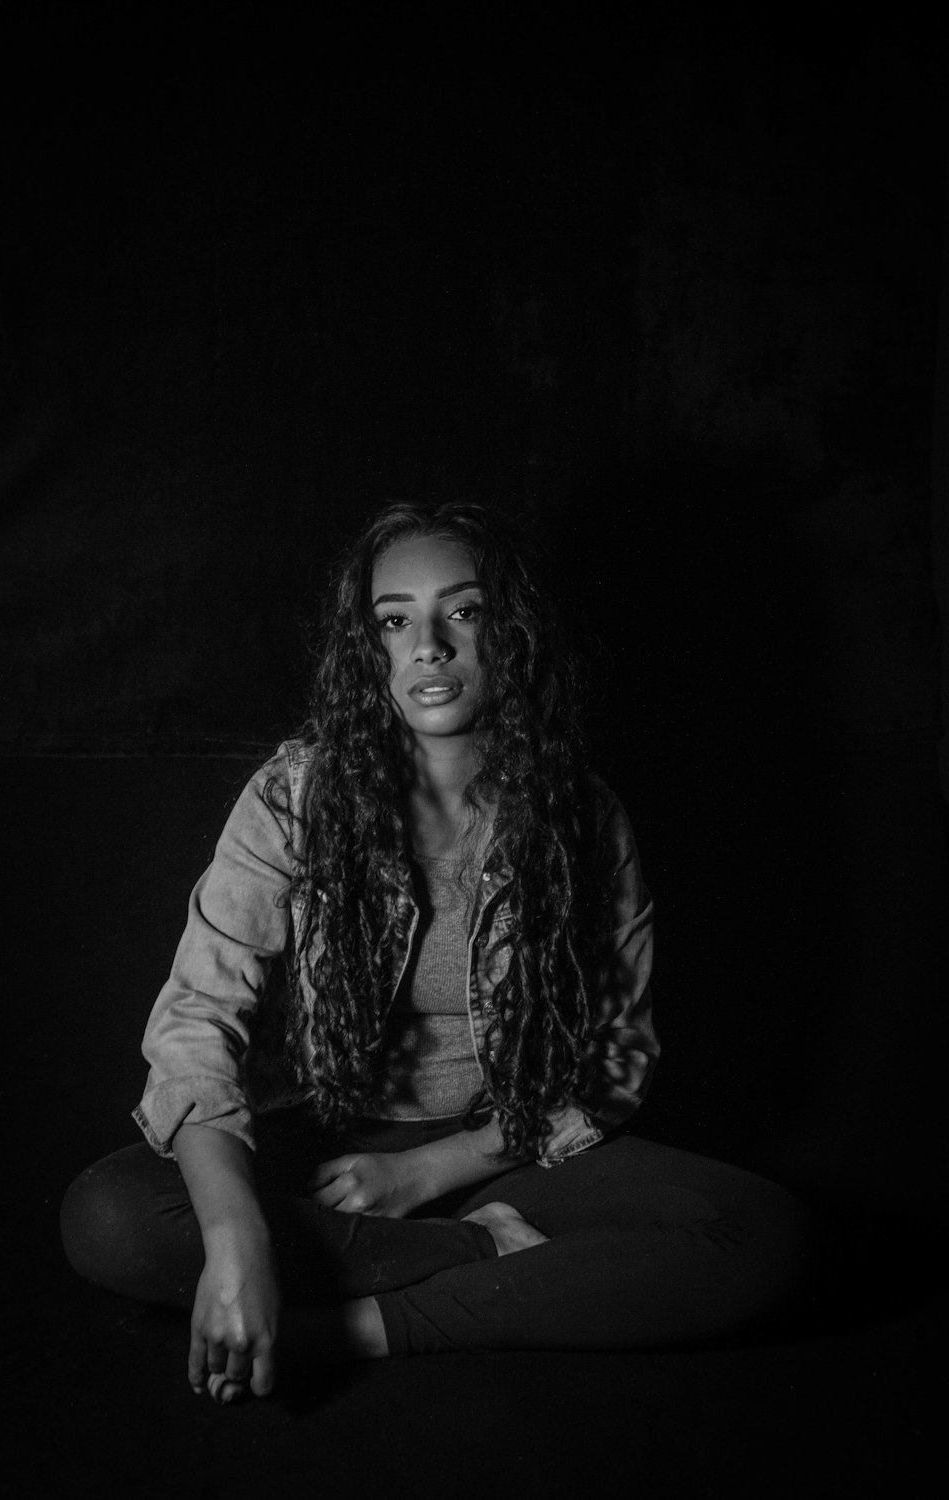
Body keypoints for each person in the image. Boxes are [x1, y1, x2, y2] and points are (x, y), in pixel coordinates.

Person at [61, 501, 812, 1405]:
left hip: (509, 1143)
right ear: (366, 649)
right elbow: (197, 1022)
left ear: (512, 632)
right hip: (329, 1142)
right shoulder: (296, 798)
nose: (428, 644)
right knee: (112, 1217)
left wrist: (435, 1169)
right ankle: (482, 1251)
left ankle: (369, 1326)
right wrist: (237, 1245)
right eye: (393, 619)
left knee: (758, 1232)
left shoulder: (583, 815)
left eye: (463, 610)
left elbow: (619, 1053)